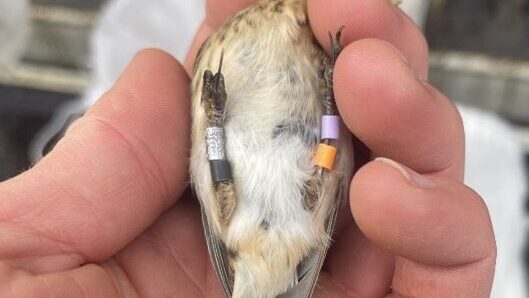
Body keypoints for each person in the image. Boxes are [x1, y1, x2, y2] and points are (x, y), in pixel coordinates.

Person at [0, 0, 495, 296]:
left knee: (241, 173)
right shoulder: (295, 27)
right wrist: (329, 96)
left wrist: (214, 117)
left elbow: (219, 174)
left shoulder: (294, 27)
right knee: (319, 168)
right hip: (296, 211)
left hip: (249, 229)